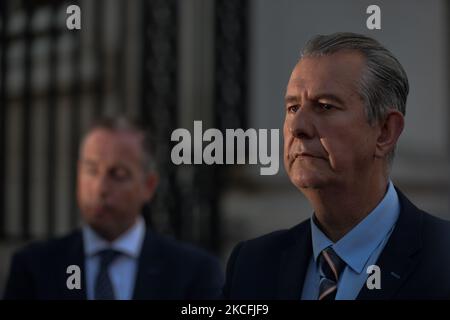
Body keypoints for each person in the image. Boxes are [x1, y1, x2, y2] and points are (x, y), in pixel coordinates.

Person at [223, 32, 450, 300]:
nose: (298, 127)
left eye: (325, 106)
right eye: (293, 108)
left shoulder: (442, 257)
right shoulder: (253, 264)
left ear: (385, 132)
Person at [4, 116, 223, 300]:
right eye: (91, 170)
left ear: (148, 186)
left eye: (118, 175)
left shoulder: (195, 273)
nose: (100, 188)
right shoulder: (34, 267)